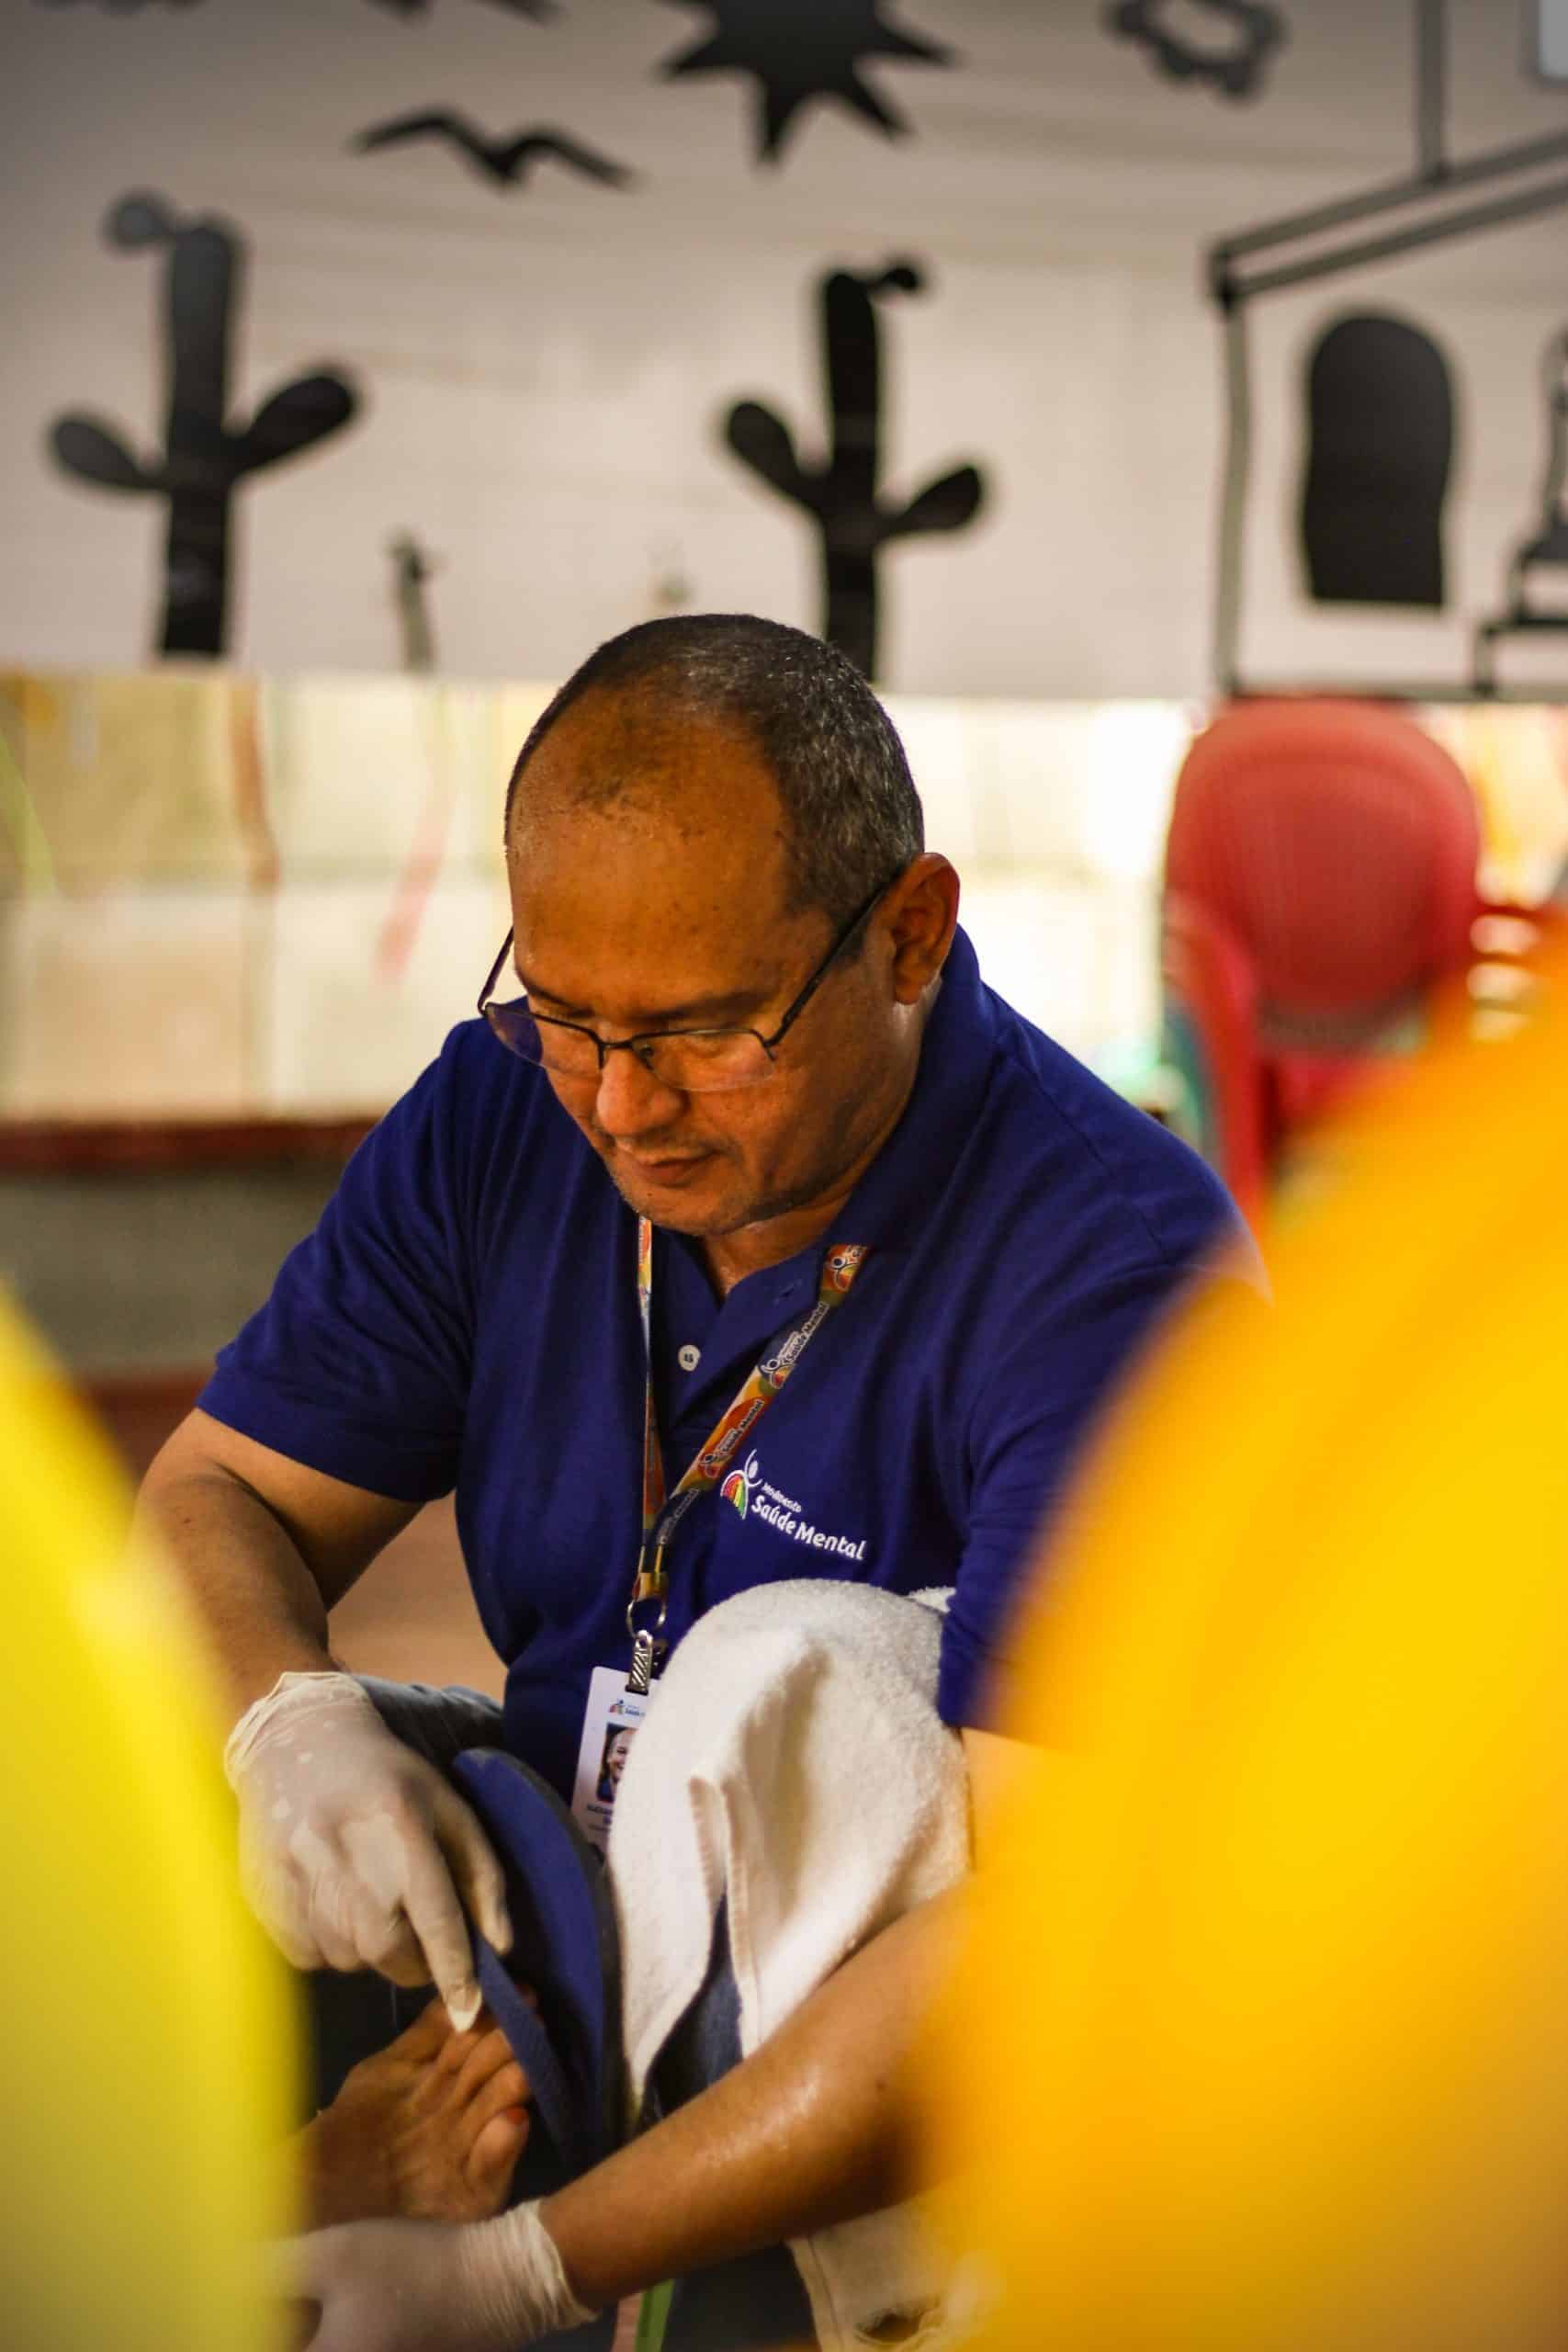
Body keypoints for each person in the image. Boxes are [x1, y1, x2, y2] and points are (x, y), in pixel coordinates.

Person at [139, 614, 1250, 2350]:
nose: (623, 1105)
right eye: (568, 1015)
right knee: (129, 1719)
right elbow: (216, 1496)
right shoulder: (510, 1112)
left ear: (910, 933)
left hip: (917, 2060)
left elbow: (1051, 1943)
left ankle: (658, 2258)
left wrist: (531, 2267)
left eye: (707, 1032)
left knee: (795, 1689)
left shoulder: (1117, 1267)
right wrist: (287, 1728)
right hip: (574, 1910)